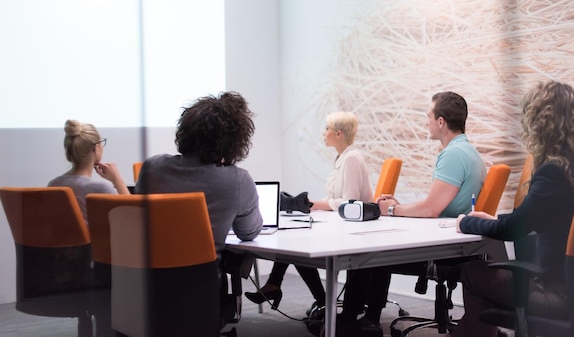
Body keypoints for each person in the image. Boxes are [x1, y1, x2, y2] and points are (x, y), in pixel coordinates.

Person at [451, 81, 574, 337]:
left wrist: (465, 222)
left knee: (472, 272)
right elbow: (535, 216)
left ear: (539, 124)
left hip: (557, 293)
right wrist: (492, 218)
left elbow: (512, 229)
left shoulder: (554, 171)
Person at [332, 91, 487, 336]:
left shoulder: (453, 155)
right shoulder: (467, 151)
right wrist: (400, 207)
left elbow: (431, 209)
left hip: (445, 248)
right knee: (378, 245)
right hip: (452, 237)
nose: (425, 121)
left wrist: (393, 209)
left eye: (428, 116)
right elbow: (435, 205)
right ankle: (364, 318)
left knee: (373, 250)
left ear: (440, 121)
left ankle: (358, 320)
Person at [135, 91, 263, 326]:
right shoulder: (237, 180)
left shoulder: (152, 168)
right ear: (235, 141)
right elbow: (249, 232)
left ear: (186, 131)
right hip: (199, 289)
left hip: (145, 285)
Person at [244, 111, 373, 316]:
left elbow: (350, 203)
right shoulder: (343, 158)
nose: (323, 133)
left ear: (338, 134)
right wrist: (313, 204)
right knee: (294, 240)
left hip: (351, 233)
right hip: (341, 226)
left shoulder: (352, 159)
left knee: (297, 243)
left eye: (327, 129)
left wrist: (315, 204)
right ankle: (279, 286)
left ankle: (295, 292)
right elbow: (337, 199)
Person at [48, 119, 130, 224]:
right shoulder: (102, 188)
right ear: (95, 148)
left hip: (62, 240)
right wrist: (117, 180)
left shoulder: (53, 185)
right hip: (98, 240)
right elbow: (131, 216)